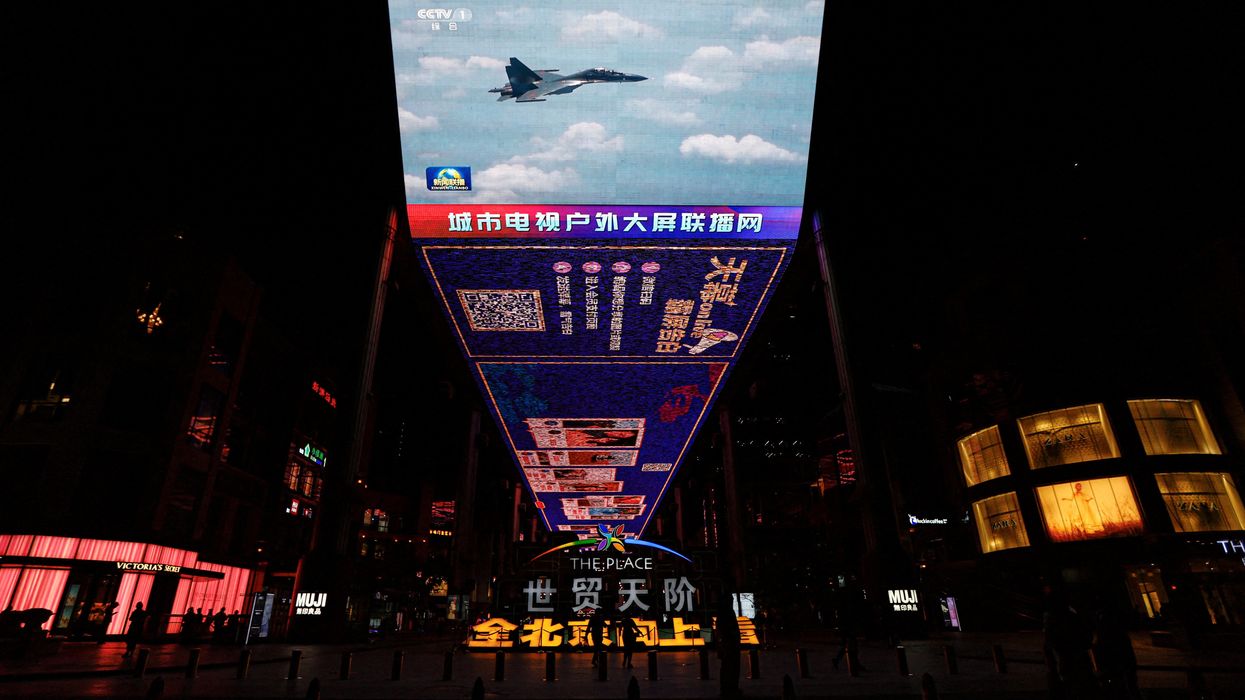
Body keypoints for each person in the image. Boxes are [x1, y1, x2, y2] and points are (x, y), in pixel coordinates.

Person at [1093, 601, 1140, 700]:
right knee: (1127, 685)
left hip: (1116, 659)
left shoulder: (1104, 620)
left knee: (1122, 685)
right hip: (1120, 658)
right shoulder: (1115, 621)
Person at [717, 597, 741, 699]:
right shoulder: (728, 613)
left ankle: (728, 688)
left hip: (729, 644)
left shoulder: (724, 613)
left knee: (728, 667)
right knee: (730, 667)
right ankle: (729, 688)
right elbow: (730, 629)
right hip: (730, 644)